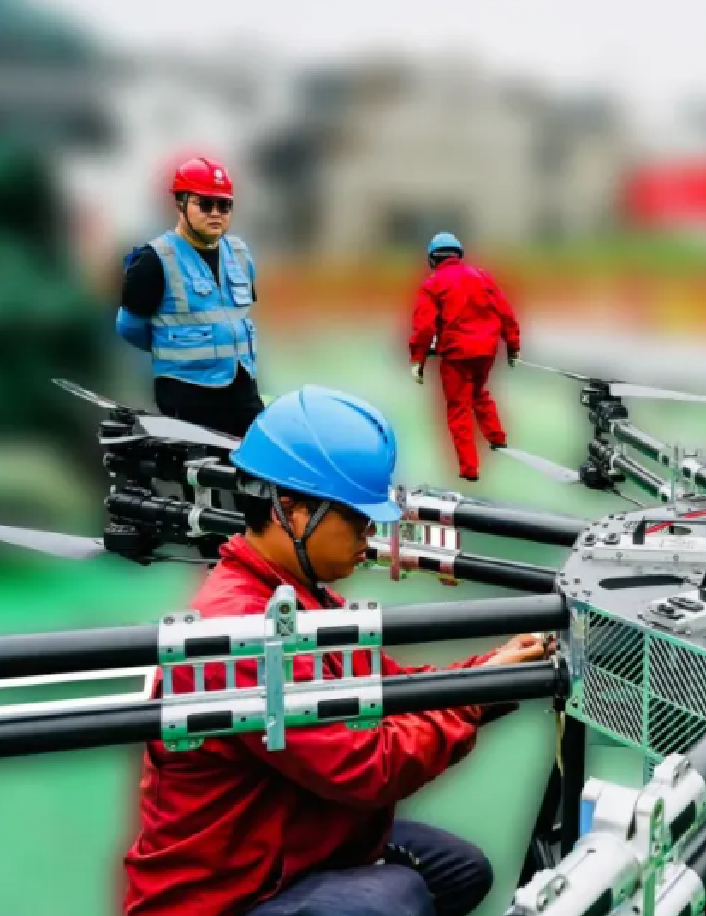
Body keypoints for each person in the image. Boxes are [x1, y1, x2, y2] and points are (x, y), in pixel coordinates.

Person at [121, 386, 552, 916]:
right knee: (393, 900)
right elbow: (367, 766)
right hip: (224, 896)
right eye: (357, 518)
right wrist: (474, 702)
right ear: (294, 513)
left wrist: (485, 673)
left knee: (460, 870)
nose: (370, 535)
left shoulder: (299, 596)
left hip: (282, 846)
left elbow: (386, 692)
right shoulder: (241, 628)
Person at [115, 156, 264, 438]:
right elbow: (130, 329)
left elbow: (235, 318)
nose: (216, 213)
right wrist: (174, 345)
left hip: (243, 391)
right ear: (180, 204)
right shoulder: (153, 260)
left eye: (224, 205)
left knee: (255, 476)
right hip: (188, 394)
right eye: (205, 204)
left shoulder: (241, 254)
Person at [408, 232, 521, 483]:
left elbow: (424, 327)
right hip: (486, 351)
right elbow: (505, 311)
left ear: (432, 259)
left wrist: (418, 360)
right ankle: (497, 437)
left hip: (457, 353)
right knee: (480, 392)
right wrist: (513, 345)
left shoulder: (432, 284)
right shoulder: (481, 276)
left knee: (458, 408)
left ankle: (469, 469)